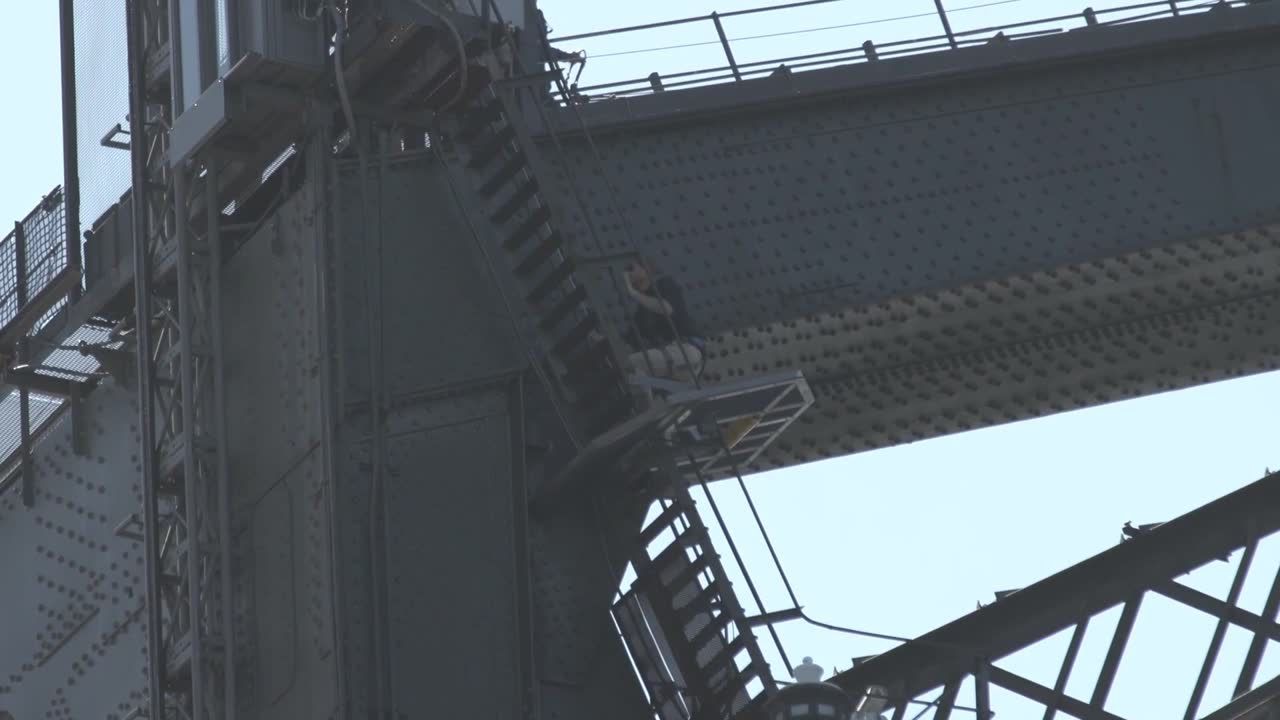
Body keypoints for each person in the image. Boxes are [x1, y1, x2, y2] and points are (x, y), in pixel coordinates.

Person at [620, 257, 705, 389]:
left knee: (630, 364)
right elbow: (627, 342)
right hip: (672, 365)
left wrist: (633, 293)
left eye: (631, 268)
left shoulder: (665, 284)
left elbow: (666, 308)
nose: (627, 273)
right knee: (628, 368)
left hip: (688, 352)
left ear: (645, 269)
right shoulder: (642, 313)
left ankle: (644, 393)